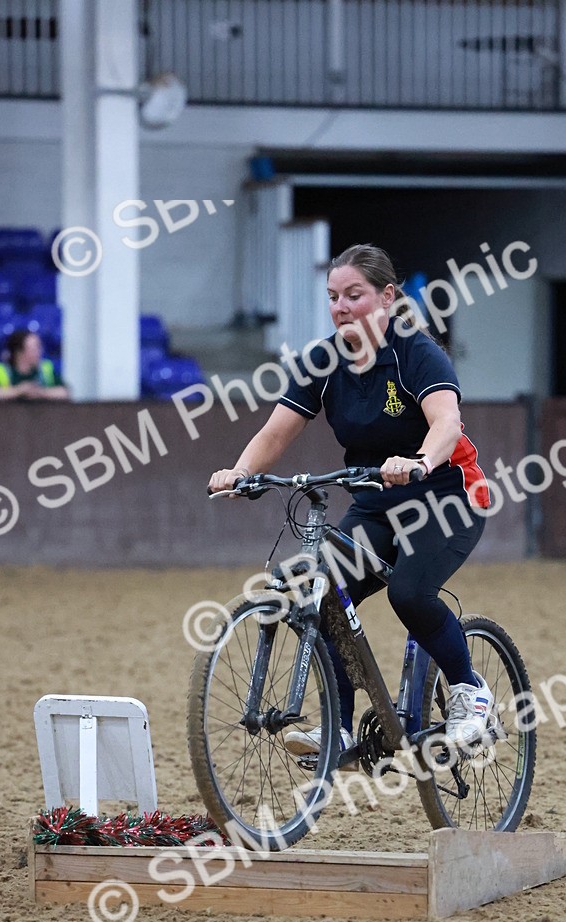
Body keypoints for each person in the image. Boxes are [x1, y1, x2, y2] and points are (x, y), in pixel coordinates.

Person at [209, 243, 494, 753]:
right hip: (378, 498)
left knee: (409, 592)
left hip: (448, 493)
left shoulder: (415, 353)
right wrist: (241, 471)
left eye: (353, 295)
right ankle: (339, 728)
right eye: (333, 297)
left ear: (387, 296)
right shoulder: (323, 359)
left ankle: (470, 692)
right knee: (318, 590)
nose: (340, 306)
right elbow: (276, 434)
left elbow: (446, 424)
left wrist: (421, 461)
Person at [0, 329, 70, 402]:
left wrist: (41, 392)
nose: (39, 352)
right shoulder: (1, 370)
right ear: (19, 352)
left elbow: (64, 392)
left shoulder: (45, 369)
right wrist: (19, 391)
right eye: (35, 348)